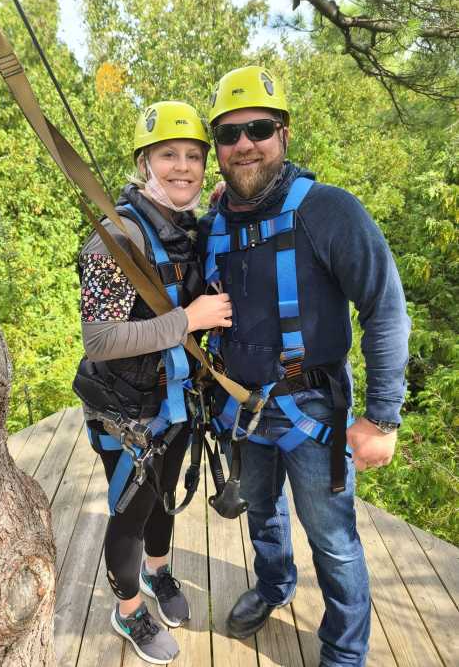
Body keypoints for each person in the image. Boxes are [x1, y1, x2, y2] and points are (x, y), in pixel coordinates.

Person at [199, 67, 411, 667]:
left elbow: (385, 307)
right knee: (263, 514)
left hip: (312, 407)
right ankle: (274, 586)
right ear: (217, 149)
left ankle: (344, 652)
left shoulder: (329, 211)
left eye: (258, 129)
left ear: (284, 133)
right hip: (242, 408)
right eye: (229, 134)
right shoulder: (216, 223)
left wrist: (383, 418)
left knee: (334, 541)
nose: (244, 144)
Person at [75, 100, 231, 665]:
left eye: (194, 156)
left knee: (165, 498)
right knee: (132, 512)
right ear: (144, 162)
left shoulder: (186, 226)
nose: (184, 166)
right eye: (169, 155)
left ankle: (158, 574)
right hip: (126, 408)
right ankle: (130, 608)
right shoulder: (116, 239)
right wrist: (188, 321)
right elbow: (100, 339)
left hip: (177, 396)